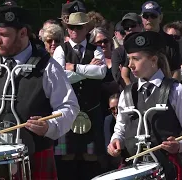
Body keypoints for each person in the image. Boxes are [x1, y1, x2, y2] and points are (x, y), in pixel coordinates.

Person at [0, 5, 79, 180]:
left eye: (3, 35)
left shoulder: (48, 66)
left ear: (22, 33)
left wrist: (49, 127)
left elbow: (69, 107)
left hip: (35, 159)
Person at [108, 31, 182, 180]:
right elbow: (120, 129)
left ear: (153, 60)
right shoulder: (126, 94)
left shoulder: (176, 90)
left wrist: (179, 145)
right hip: (133, 169)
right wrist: (115, 141)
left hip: (167, 171)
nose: (130, 65)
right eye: (129, 59)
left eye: (136, 59)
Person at [53, 12, 107, 180]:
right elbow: (59, 76)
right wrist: (87, 69)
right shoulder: (60, 50)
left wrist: (74, 67)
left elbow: (101, 72)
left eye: (79, 27)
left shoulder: (96, 50)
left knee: (90, 156)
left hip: (92, 109)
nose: (74, 30)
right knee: (67, 155)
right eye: (71, 27)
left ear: (86, 29)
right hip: (68, 111)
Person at [140, 1, 182, 81]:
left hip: (164, 89)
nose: (149, 19)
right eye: (146, 16)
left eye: (153, 16)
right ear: (141, 18)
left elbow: (176, 71)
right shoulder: (136, 41)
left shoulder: (171, 43)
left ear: (160, 18)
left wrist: (170, 91)